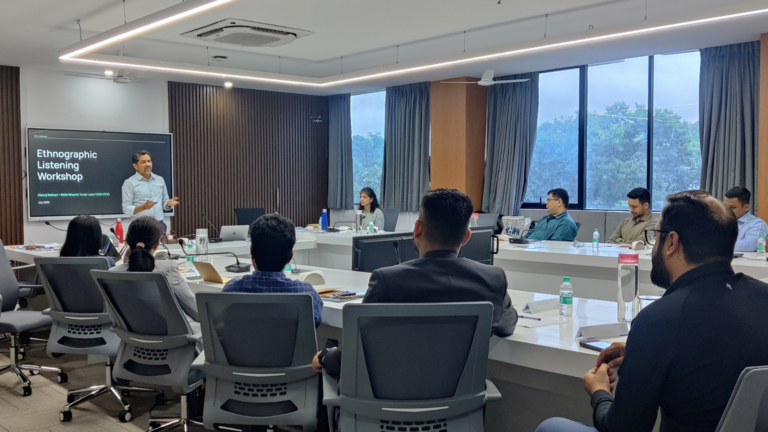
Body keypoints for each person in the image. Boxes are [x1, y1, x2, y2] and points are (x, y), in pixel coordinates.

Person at [535, 190, 768, 432]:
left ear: (672, 243)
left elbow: (622, 428)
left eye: (655, 236)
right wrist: (641, 348)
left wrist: (599, 392)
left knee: (550, 427)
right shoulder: (762, 297)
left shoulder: (659, 319)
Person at [314, 188, 518, 379]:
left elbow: (356, 348)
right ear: (466, 237)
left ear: (417, 228)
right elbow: (507, 326)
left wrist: (325, 357)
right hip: (460, 402)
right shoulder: (493, 279)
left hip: (389, 399)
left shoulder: (387, 281)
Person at [222, 214, 323, 327]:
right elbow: (315, 322)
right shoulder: (307, 294)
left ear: (251, 252)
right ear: (290, 256)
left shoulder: (232, 290)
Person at [110, 217, 200, 334]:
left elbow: (113, 316)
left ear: (126, 240)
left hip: (133, 339)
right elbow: (196, 310)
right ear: (156, 245)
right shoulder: (166, 269)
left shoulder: (111, 273)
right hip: (179, 339)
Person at [121, 150, 179, 232]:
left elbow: (164, 204)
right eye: (143, 162)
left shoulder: (160, 180)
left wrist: (168, 204)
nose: (147, 164)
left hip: (159, 224)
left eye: (149, 161)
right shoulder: (129, 183)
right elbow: (126, 209)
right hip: (140, 226)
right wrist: (143, 207)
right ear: (135, 166)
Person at [723, 186, 768, 252]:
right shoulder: (721, 221)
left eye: (732, 207)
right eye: (725, 206)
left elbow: (748, 246)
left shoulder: (758, 224)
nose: (727, 210)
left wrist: (716, 243)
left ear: (745, 207)